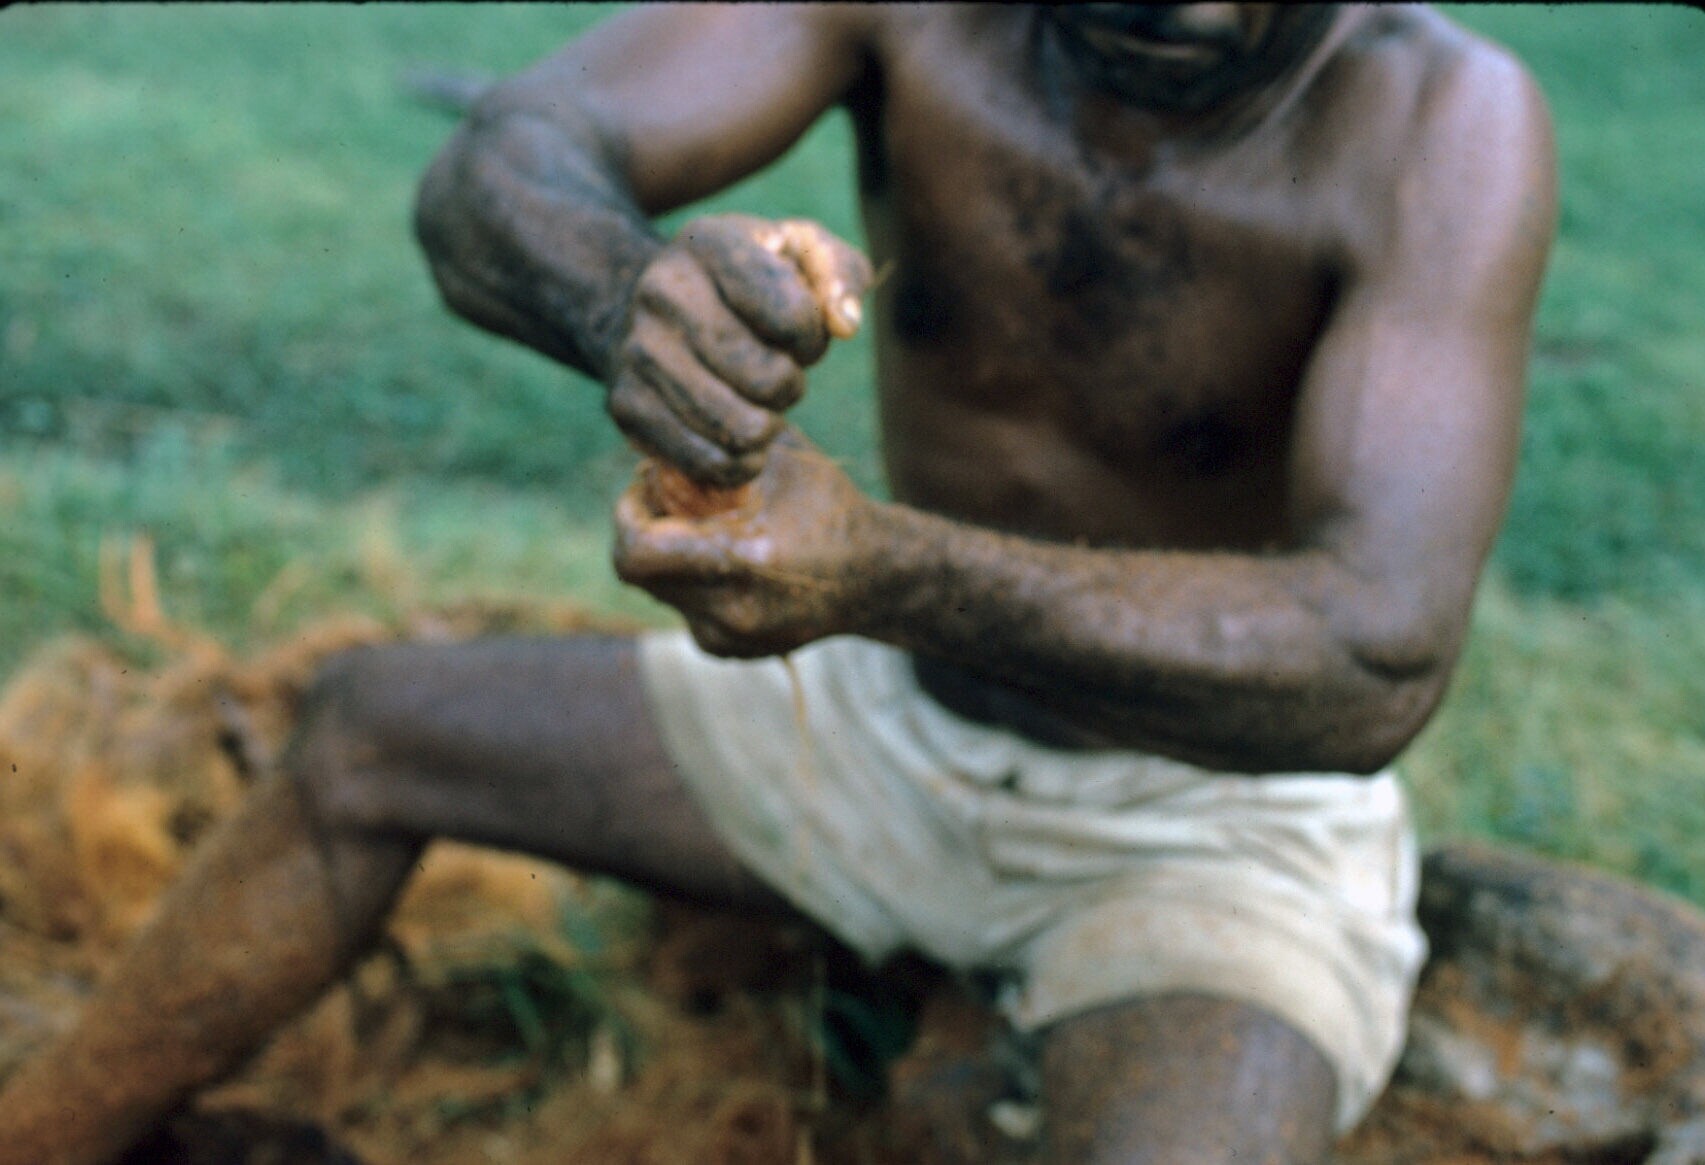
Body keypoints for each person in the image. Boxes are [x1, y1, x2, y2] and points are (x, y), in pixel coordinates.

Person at [0, 5, 1556, 1162]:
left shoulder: (1441, 121)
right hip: (877, 725)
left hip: (1212, 826)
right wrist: (635, 303)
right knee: (361, 734)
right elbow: (493, 171)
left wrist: (878, 570)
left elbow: (1372, 655)